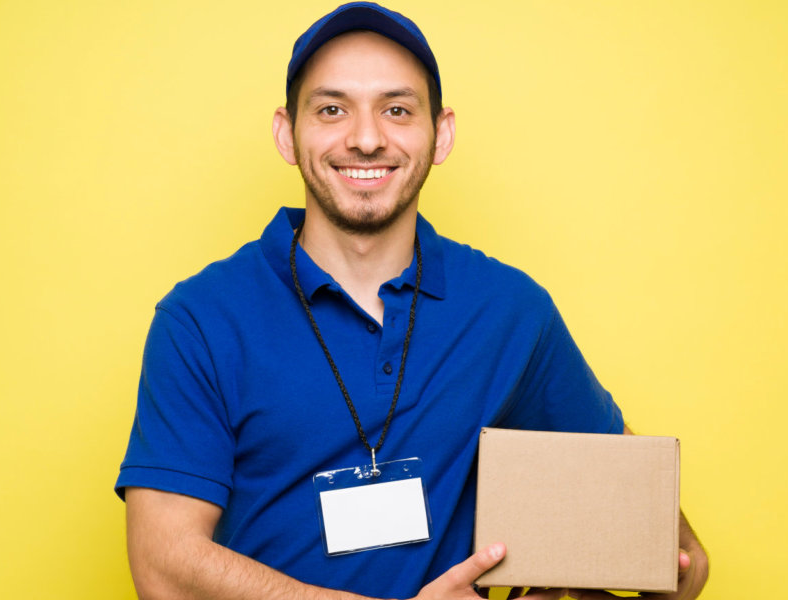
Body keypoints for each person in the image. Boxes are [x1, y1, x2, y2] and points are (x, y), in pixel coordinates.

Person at [116, 3, 708, 599]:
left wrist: (645, 567)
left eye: (397, 110)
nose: (367, 139)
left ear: (441, 133)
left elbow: (661, 533)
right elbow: (164, 567)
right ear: (286, 133)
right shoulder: (199, 319)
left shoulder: (510, 311)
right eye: (331, 109)